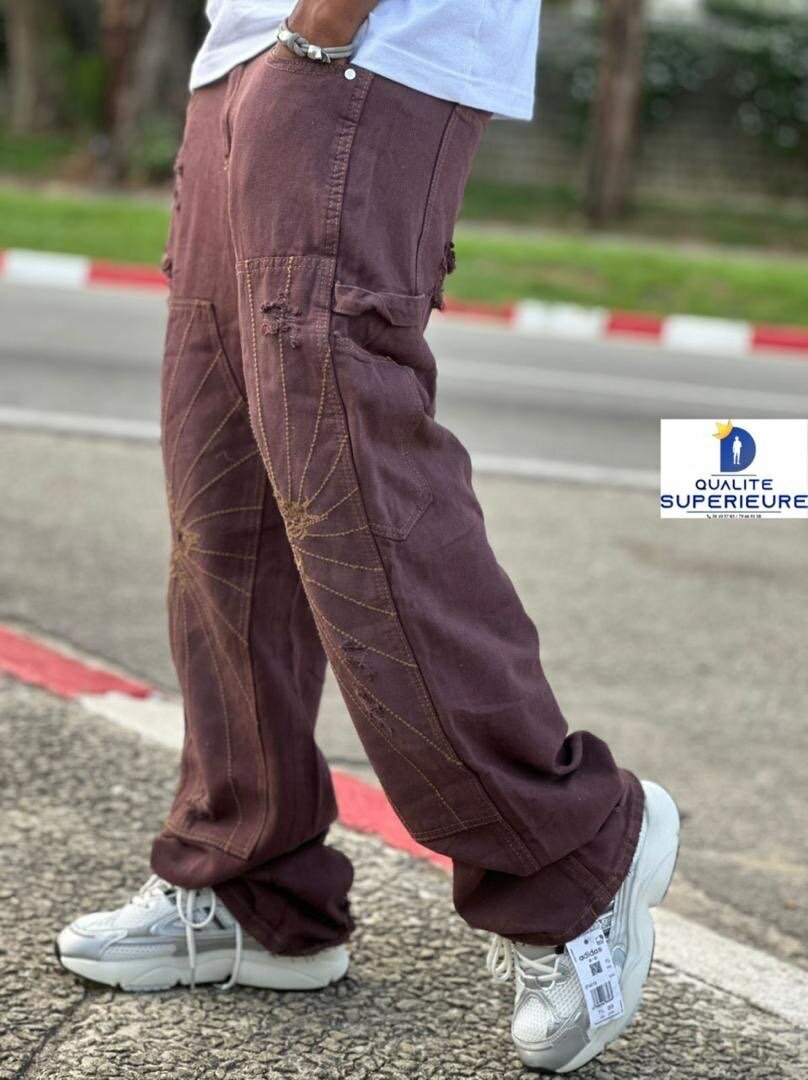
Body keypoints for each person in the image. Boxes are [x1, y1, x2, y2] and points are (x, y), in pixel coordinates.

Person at [56, 1, 680, 1072]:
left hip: (360, 54)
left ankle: (567, 855)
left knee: (345, 483)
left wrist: (324, 24)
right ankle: (253, 886)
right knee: (224, 501)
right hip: (245, 57)